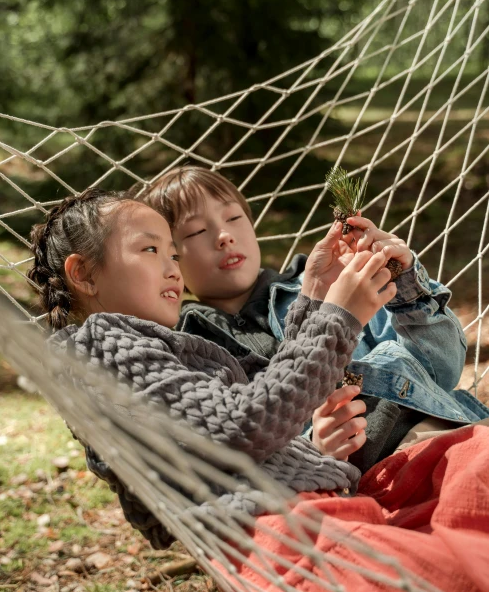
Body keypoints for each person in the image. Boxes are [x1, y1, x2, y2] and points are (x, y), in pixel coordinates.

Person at [27, 187, 396, 548]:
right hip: (277, 530)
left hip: (303, 508)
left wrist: (315, 293)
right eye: (151, 249)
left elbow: (272, 394)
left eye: (173, 255)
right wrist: (339, 319)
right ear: (85, 274)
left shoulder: (151, 348)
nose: (173, 270)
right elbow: (243, 424)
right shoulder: (101, 347)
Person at [137, 165, 489, 472]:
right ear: (171, 257)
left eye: (233, 218)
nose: (224, 235)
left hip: (446, 436)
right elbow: (235, 450)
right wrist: (312, 447)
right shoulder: (190, 348)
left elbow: (442, 371)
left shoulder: (337, 282)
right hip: (357, 486)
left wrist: (408, 286)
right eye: (197, 231)